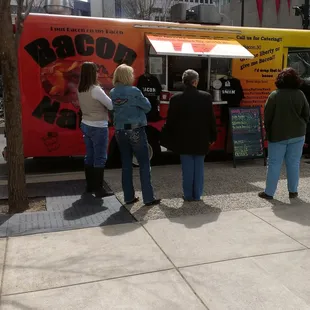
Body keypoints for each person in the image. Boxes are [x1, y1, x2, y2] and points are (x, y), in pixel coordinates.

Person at [162, 69, 217, 201]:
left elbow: (170, 121)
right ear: (195, 81)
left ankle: (187, 195)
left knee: (187, 169)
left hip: (183, 139)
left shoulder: (175, 99)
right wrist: (213, 136)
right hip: (201, 138)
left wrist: (168, 137)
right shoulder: (206, 97)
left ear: (184, 82)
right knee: (199, 168)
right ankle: (197, 195)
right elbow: (211, 119)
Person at [110, 64, 160, 206]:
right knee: (144, 163)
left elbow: (113, 109)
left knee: (126, 164)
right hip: (135, 129)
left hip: (120, 131)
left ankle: (128, 197)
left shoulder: (113, 92)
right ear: (128, 76)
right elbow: (147, 107)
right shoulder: (134, 91)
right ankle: (148, 198)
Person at [259, 67, 310, 200]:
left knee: (274, 164)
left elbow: (268, 117)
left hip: (278, 135)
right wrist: (301, 124)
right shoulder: (300, 94)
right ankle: (293, 191)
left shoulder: (275, 95)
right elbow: (306, 114)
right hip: (298, 134)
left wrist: (269, 130)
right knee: (293, 163)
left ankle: (269, 192)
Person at [77, 62, 113, 198]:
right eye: (96, 71)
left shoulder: (80, 89)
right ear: (92, 73)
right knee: (100, 157)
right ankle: (99, 189)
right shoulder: (96, 90)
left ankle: (90, 186)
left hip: (86, 123)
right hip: (98, 126)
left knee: (90, 155)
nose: (98, 73)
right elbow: (110, 105)